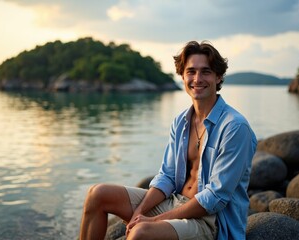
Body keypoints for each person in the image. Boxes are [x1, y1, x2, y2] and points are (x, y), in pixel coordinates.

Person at [79, 41, 257, 240]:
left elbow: (215, 197)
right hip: (174, 202)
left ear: (218, 76)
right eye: (191, 71)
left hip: (210, 221)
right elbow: (168, 176)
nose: (197, 79)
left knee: (141, 233)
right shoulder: (181, 122)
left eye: (205, 72)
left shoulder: (235, 127)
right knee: (98, 194)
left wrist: (154, 221)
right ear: (182, 76)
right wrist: (140, 212)